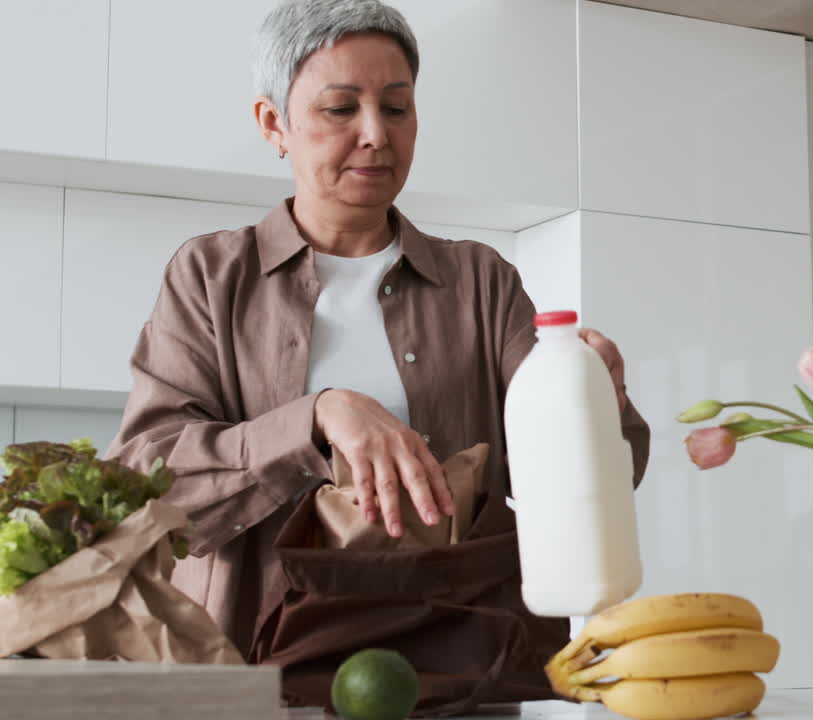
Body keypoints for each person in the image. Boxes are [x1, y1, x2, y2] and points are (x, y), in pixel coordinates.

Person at [107, 0, 649, 679]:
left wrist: (598, 404)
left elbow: (586, 483)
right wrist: (318, 415)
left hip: (469, 665)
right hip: (254, 669)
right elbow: (149, 488)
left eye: (396, 108)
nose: (375, 134)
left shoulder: (480, 280)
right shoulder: (211, 277)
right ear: (274, 123)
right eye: (340, 109)